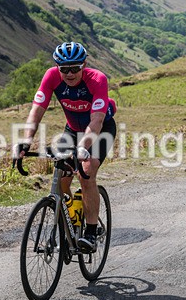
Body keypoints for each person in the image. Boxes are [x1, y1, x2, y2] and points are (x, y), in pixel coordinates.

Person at [13, 42, 117, 253]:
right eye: (64, 69)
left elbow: (96, 120)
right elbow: (37, 110)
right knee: (60, 176)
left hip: (100, 130)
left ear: (84, 65)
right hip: (72, 129)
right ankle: (71, 213)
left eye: (75, 68)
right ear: (57, 67)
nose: (69, 73)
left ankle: (91, 231)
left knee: (87, 171)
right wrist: (26, 140)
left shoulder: (97, 79)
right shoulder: (51, 76)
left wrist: (83, 147)